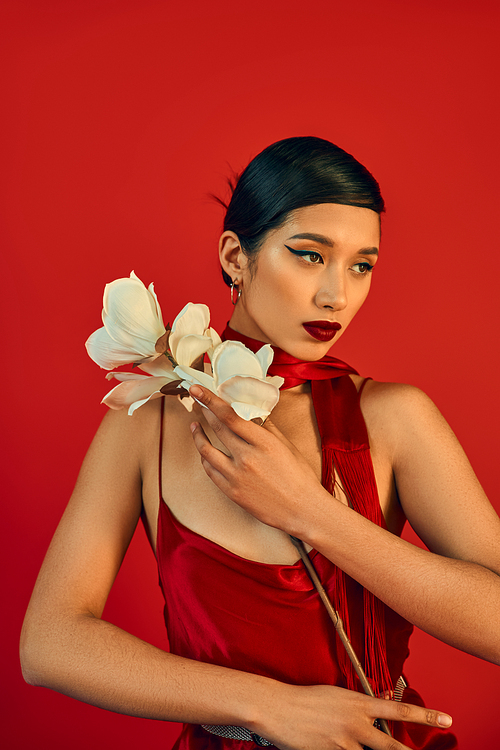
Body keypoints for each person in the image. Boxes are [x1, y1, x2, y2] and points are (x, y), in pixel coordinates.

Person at [20, 137, 500, 750]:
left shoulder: (394, 418)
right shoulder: (149, 421)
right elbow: (49, 642)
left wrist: (313, 513)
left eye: (362, 265)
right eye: (309, 255)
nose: (337, 295)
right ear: (235, 257)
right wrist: (267, 706)